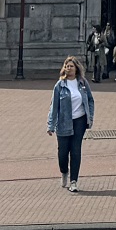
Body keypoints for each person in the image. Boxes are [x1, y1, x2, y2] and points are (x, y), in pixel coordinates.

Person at [45, 56, 94, 193]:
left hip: (80, 120)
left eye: (71, 66)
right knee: (63, 152)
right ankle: (64, 171)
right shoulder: (59, 86)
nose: (69, 68)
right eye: (67, 66)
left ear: (76, 68)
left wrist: (90, 117)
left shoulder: (83, 83)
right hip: (63, 122)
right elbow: (54, 107)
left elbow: (90, 100)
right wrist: (50, 125)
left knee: (76, 150)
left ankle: (74, 181)